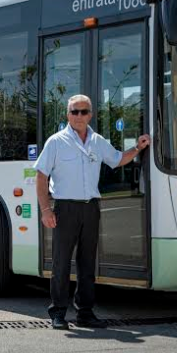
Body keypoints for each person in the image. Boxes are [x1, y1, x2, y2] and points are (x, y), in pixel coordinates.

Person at [34, 94, 150, 330]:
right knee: (61, 263)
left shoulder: (97, 141)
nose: (79, 116)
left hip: (91, 208)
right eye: (74, 112)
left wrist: (137, 148)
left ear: (90, 115)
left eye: (83, 111)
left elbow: (118, 160)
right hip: (65, 207)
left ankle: (85, 312)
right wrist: (46, 209)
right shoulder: (55, 142)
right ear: (68, 115)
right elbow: (41, 175)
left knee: (88, 263)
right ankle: (58, 312)